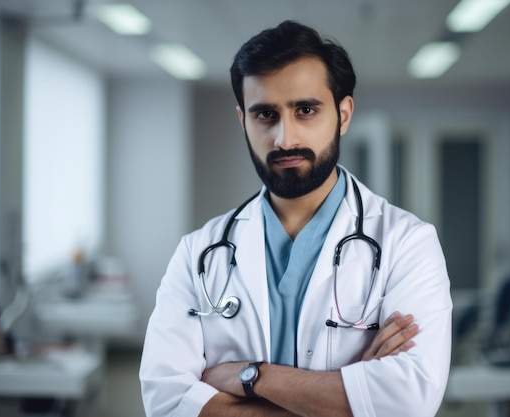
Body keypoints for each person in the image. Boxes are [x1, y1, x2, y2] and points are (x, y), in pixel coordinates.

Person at [140, 20, 452, 417]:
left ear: (343, 114)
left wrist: (249, 377)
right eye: (265, 115)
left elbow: (409, 401)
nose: (284, 139)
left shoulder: (407, 243)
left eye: (305, 110)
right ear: (243, 122)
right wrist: (352, 397)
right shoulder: (198, 253)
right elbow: (165, 402)